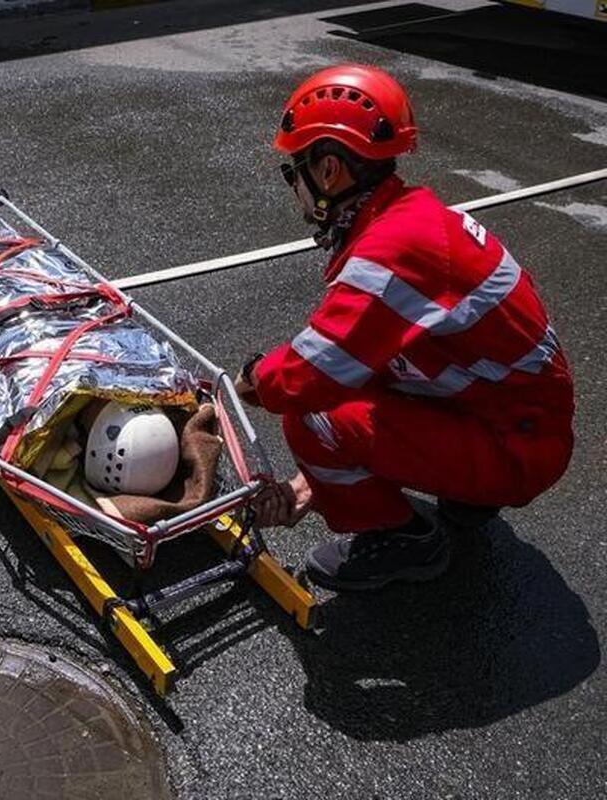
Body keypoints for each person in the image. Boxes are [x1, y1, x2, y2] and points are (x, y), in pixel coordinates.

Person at [233, 64, 574, 592]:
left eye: (293, 171)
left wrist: (252, 379)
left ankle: (402, 539)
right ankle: (470, 495)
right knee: (364, 374)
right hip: (519, 422)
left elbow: (307, 376)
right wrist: (309, 488)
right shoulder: (414, 219)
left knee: (310, 415)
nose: (294, 187)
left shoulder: (392, 252)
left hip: (517, 448)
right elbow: (369, 353)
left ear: (328, 171)